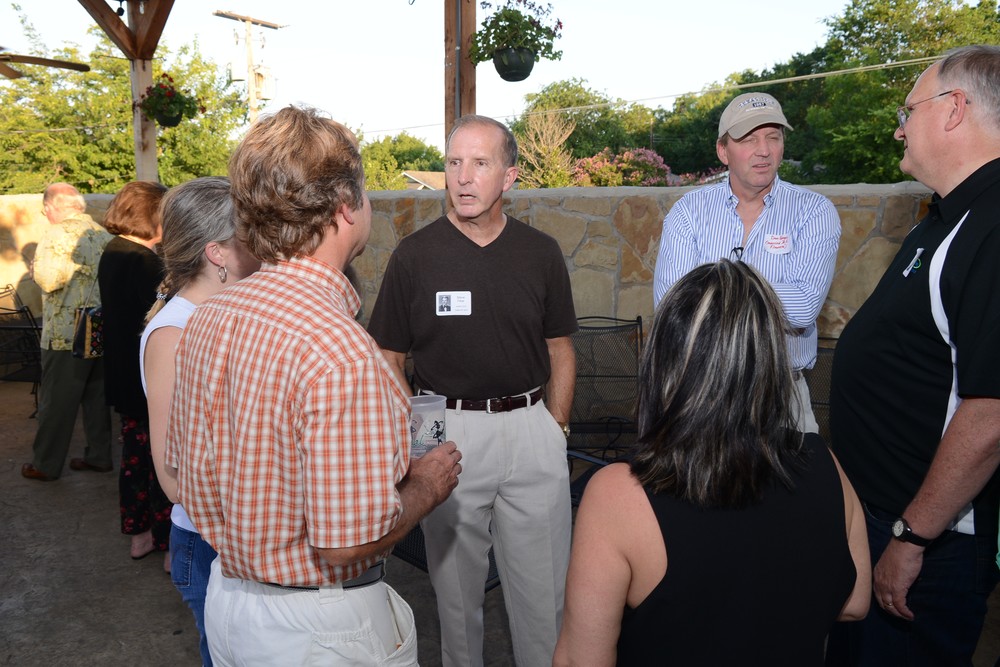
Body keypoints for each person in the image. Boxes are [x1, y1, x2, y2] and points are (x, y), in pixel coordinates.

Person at [165, 106, 462, 665]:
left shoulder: (210, 315)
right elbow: (346, 542)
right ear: (346, 205)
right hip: (316, 629)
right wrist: (427, 483)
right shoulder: (337, 348)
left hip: (229, 602)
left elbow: (187, 472)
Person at [554, 259, 870, 666]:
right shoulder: (826, 466)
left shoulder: (618, 495)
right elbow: (855, 601)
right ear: (772, 361)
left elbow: (579, 660)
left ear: (666, 361)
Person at [368, 114, 577, 667]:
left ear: (509, 176)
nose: (463, 177)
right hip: (451, 438)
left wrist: (555, 427)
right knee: (457, 604)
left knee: (546, 599)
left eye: (480, 163)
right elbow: (388, 356)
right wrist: (425, 441)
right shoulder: (414, 256)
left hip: (532, 430)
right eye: (454, 162)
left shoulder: (540, 252)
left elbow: (560, 346)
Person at [826, 45, 1000, 666]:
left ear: (953, 109)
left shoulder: (992, 226)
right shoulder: (945, 216)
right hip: (881, 517)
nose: (900, 128)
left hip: (928, 541)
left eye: (909, 110)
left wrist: (911, 536)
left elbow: (990, 414)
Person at [652, 92, 840, 433]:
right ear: (723, 151)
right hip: (703, 391)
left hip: (783, 395)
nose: (764, 150)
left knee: (802, 469)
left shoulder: (814, 211)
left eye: (773, 137)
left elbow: (803, 308)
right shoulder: (688, 212)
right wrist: (765, 293)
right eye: (749, 139)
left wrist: (713, 291)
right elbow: (673, 309)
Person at [141, 176, 259, 667]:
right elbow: (173, 477)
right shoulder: (173, 333)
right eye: (250, 234)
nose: (263, 245)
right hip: (209, 542)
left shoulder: (227, 317)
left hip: (242, 533)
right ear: (218, 253)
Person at [98, 181, 171, 565]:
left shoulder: (113, 250)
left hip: (124, 375)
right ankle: (167, 541)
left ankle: (139, 534)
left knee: (134, 458)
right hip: (147, 378)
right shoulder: (145, 262)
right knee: (162, 460)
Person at [22, 183, 113, 481]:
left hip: (66, 330)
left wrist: (35, 268)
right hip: (97, 323)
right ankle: (99, 456)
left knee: (57, 401)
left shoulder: (56, 234)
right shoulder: (102, 234)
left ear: (52, 207)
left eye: (45, 210)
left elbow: (49, 280)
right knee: (96, 394)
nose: (45, 215)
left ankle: (45, 464)